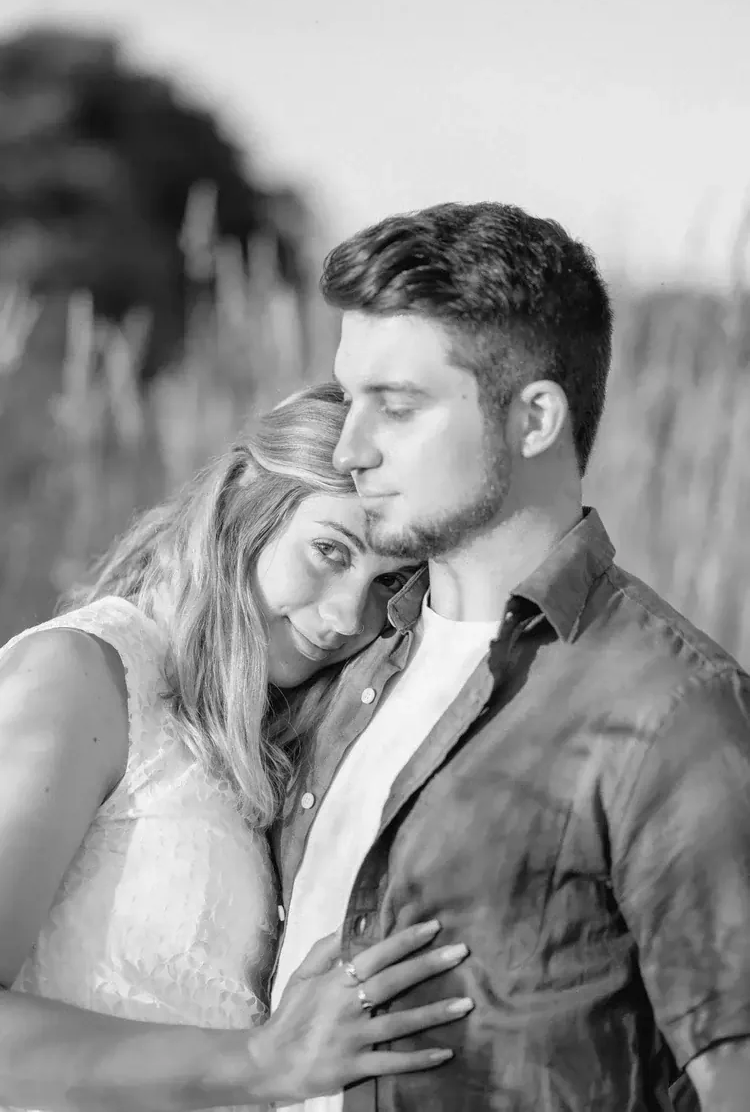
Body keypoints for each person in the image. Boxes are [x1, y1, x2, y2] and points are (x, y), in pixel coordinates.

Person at [270, 202, 750, 1112]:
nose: (349, 447)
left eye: (397, 407)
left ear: (534, 417)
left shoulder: (673, 710)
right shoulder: (347, 658)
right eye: (350, 397)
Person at [0, 383, 475, 1112]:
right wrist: (261, 1060)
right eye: (329, 550)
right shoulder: (82, 676)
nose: (350, 613)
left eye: (389, 583)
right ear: (250, 503)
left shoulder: (266, 745)